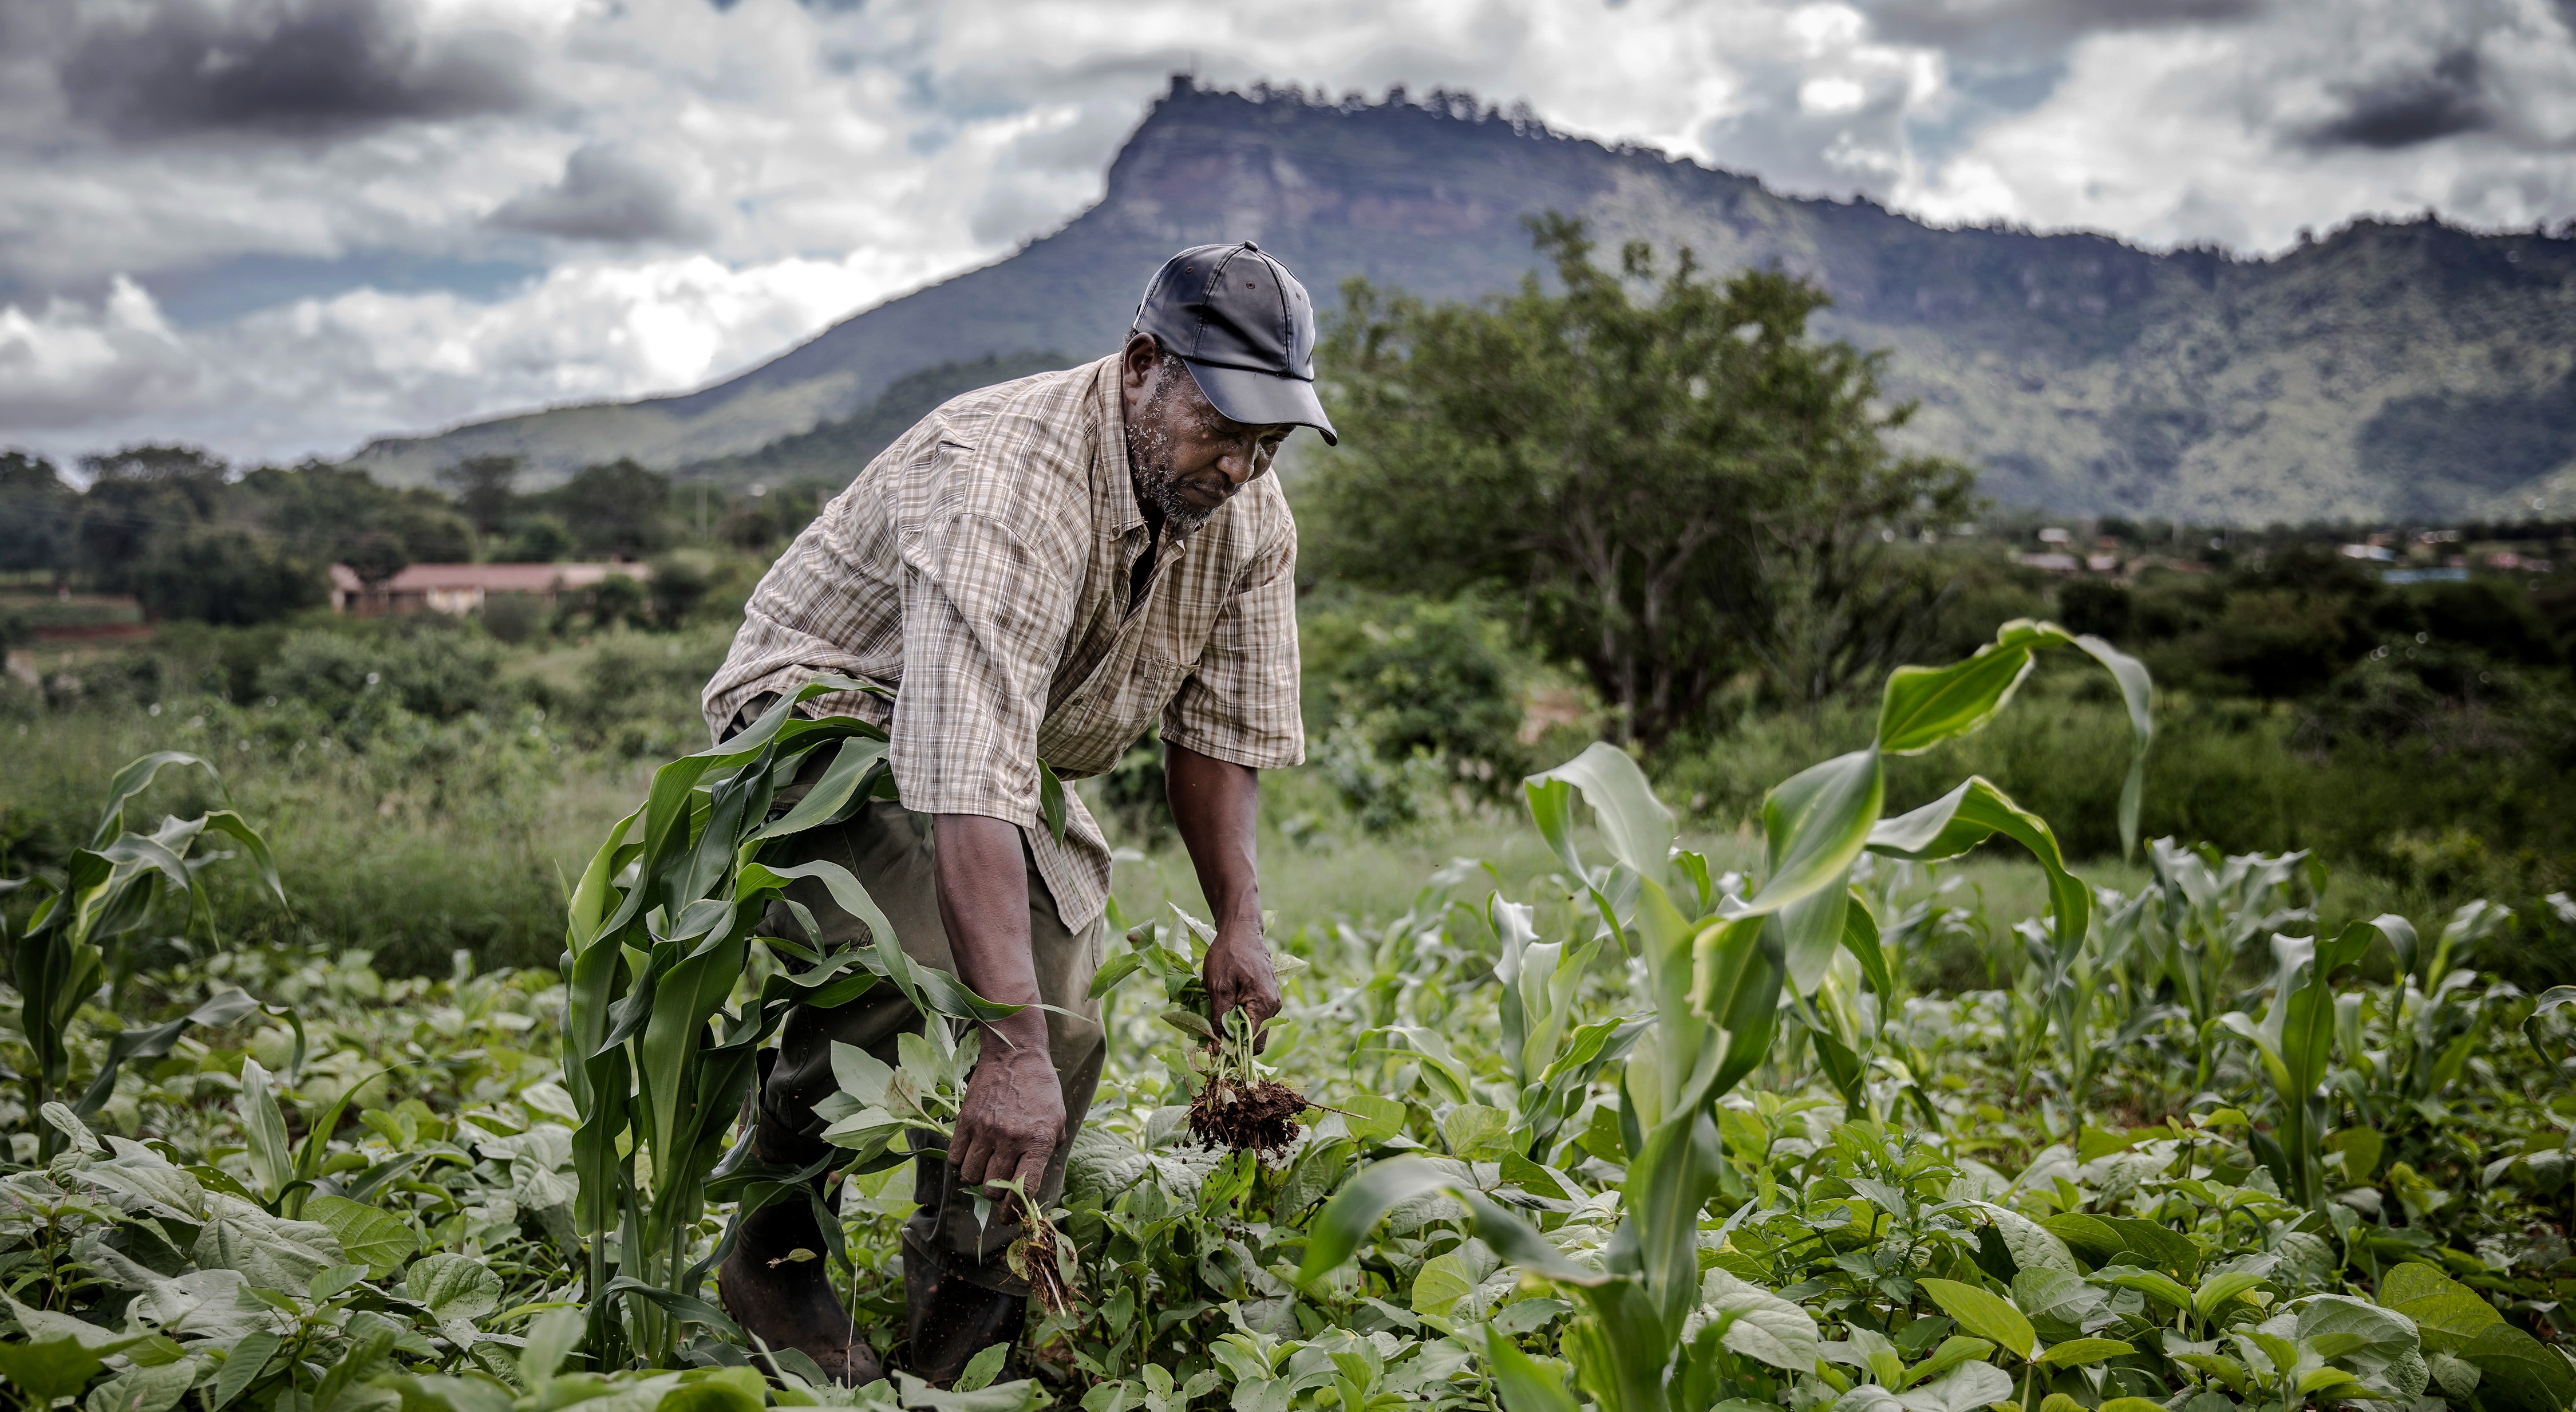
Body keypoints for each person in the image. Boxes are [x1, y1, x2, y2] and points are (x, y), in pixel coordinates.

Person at [698, 242, 1336, 1384]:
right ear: (1144, 365)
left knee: (1065, 1028)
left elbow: (1220, 734)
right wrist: (1008, 1043)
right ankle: (775, 1246)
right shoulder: (1002, 480)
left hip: (993, 757)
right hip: (821, 721)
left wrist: (1239, 918)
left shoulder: (1246, 514)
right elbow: (958, 766)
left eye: (1268, 440)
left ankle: (962, 1321)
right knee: (913, 967)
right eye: (1223, 430)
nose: (1241, 467)